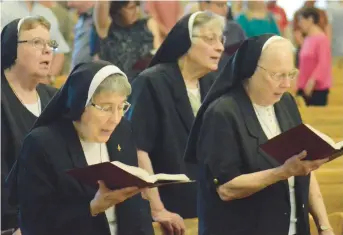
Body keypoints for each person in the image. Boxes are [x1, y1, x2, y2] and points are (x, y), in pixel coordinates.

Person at [184, 34, 334, 235]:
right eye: (278, 75)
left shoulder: (286, 103)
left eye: (291, 74)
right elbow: (226, 189)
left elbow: (305, 168)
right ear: (251, 69)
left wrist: (324, 225)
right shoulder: (223, 113)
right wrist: (283, 172)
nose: (286, 84)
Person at [7, 60, 154, 235]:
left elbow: (137, 205)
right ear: (80, 104)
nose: (115, 118)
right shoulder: (42, 144)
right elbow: (34, 223)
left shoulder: (123, 131)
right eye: (106, 108)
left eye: (122, 107)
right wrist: (92, 208)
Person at [126, 11, 225, 223]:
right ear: (186, 41)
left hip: (209, 207)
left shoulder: (211, 84)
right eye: (210, 39)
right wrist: (157, 209)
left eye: (221, 39)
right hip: (169, 211)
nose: (220, 47)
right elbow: (137, 150)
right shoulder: (152, 82)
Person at [1, 16, 58, 232]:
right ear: (12, 48)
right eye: (36, 42)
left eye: (50, 44)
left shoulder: (55, 99)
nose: (48, 51)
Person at [0, 0, 70, 78]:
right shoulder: (3, 10)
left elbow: (58, 50)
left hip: (41, 82)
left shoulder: (47, 13)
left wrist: (49, 77)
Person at [93, 0, 159, 81]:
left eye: (137, 6)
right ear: (118, 10)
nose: (137, 11)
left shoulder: (148, 25)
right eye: (131, 8)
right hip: (117, 87)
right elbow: (101, 4)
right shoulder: (107, 30)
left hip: (145, 85)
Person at [296, 7, 332, 106]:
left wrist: (312, 81)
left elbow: (323, 63)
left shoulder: (322, 39)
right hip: (303, 87)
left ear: (310, 20)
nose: (299, 24)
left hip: (316, 89)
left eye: (301, 20)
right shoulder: (307, 39)